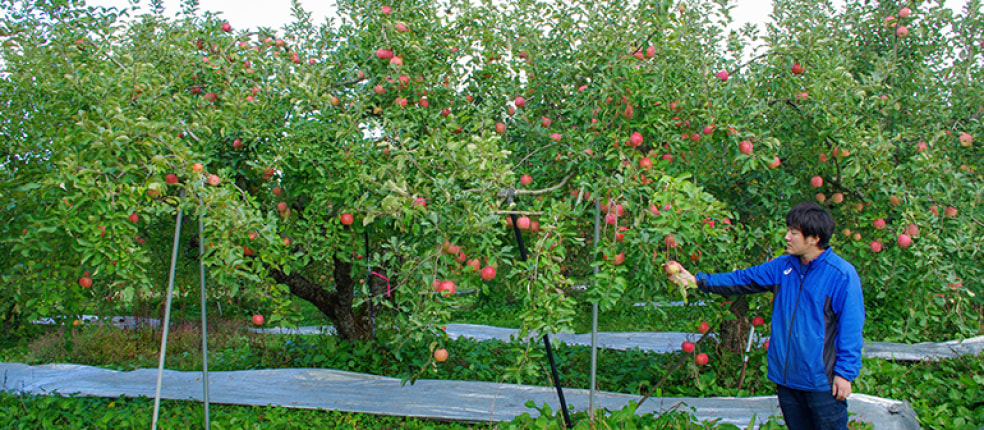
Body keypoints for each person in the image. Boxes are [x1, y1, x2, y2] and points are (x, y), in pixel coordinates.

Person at [672, 201, 865, 429]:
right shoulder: (782, 267)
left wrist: (845, 373)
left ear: (813, 238)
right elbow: (741, 279)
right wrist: (698, 281)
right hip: (787, 378)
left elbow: (851, 328)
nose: (787, 237)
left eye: (793, 233)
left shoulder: (840, 274)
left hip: (821, 381)